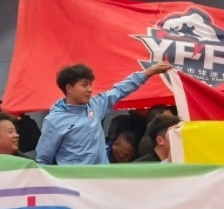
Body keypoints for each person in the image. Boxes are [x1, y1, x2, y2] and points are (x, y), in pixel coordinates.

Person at [38, 62, 173, 165]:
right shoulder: (53, 121)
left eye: (91, 84)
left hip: (102, 180)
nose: (90, 89)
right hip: (75, 184)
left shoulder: (95, 105)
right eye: (84, 85)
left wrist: (149, 72)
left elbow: (120, 90)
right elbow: (43, 160)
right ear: (69, 88)